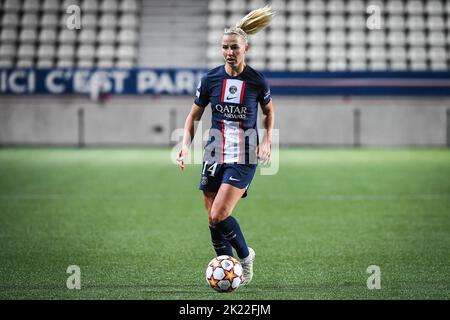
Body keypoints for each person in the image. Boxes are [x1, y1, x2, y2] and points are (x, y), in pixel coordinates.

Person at [176, 6, 275, 286]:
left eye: (234, 47)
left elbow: (269, 112)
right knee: (212, 219)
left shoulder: (256, 80)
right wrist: (185, 146)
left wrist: (267, 141)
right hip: (214, 152)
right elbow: (193, 116)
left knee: (220, 214)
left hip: (244, 155)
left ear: (246, 48)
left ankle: (244, 258)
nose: (229, 52)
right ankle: (227, 272)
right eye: (224, 47)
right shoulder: (210, 79)